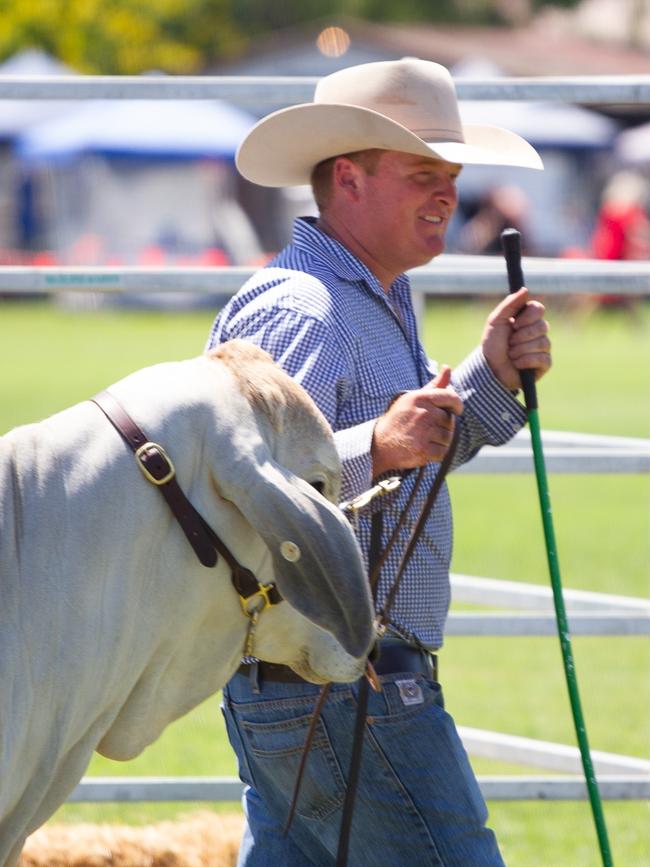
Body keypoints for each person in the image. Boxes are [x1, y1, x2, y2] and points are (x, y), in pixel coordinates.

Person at [206, 58, 551, 866]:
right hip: (338, 678)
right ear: (350, 181)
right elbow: (237, 484)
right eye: (422, 172)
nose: (447, 194)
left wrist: (488, 375)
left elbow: (400, 463)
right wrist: (378, 443)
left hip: (312, 678)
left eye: (452, 175)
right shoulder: (308, 308)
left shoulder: (367, 294)